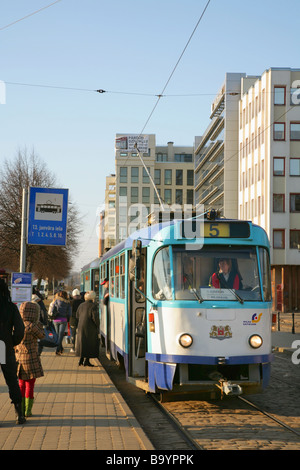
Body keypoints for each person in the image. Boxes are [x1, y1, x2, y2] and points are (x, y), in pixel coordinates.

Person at [0, 279, 26, 424]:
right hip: (4, 345)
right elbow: (20, 329)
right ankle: (19, 413)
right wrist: (12, 342)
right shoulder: (10, 307)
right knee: (11, 380)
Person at [15, 301, 45, 418]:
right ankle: (28, 410)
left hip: (19, 359)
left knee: (21, 384)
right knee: (30, 385)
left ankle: (21, 410)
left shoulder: (17, 324)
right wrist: (39, 324)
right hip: (31, 359)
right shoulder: (32, 326)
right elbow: (42, 335)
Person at [76, 291, 99, 367]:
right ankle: (87, 361)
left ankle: (81, 360)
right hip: (90, 327)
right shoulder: (93, 306)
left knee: (82, 343)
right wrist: (98, 325)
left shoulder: (81, 305)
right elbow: (95, 318)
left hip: (81, 326)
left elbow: (77, 315)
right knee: (90, 343)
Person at [48, 290, 71, 355]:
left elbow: (52, 310)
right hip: (63, 320)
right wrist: (68, 319)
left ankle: (60, 348)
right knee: (60, 335)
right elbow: (69, 313)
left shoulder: (56, 301)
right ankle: (58, 349)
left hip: (55, 320)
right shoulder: (68, 303)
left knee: (58, 335)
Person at [70, 288, 84, 353]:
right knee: (80, 333)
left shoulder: (71, 302)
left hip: (73, 320)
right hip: (81, 319)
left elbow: (70, 312)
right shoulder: (82, 302)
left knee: (73, 334)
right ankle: (80, 347)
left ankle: (73, 347)